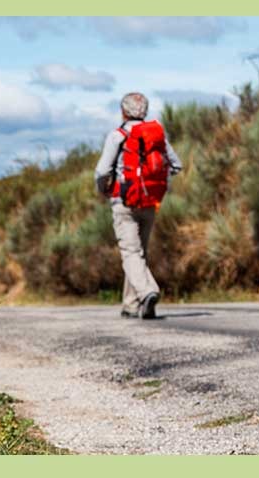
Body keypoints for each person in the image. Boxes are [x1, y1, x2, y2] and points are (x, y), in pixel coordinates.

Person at [94, 92, 182, 319]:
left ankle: (147, 292)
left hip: (124, 202)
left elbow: (102, 171)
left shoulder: (118, 136)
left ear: (123, 111)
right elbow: (176, 165)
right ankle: (130, 304)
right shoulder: (156, 135)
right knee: (138, 253)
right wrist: (156, 181)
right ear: (145, 111)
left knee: (131, 253)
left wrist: (104, 189)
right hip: (150, 201)